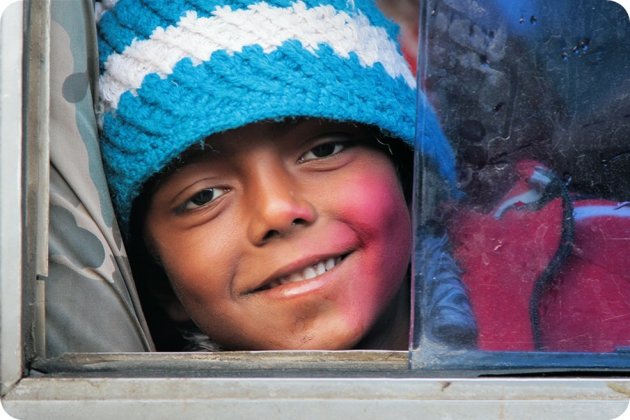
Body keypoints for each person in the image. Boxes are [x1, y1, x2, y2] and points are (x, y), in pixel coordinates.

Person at [96, 0, 466, 351]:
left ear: (410, 182)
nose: (276, 211)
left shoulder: (523, 335)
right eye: (203, 196)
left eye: (323, 150)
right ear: (162, 284)